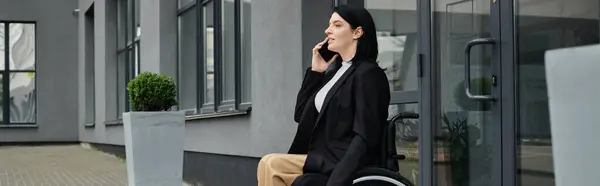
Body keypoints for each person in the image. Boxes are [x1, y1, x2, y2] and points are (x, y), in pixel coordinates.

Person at [257, 4, 390, 186]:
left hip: (339, 160)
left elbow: (365, 136)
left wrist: (338, 179)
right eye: (329, 25)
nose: (328, 31)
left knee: (271, 164)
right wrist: (316, 72)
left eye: (337, 25)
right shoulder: (335, 74)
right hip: (319, 157)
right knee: (268, 164)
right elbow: (301, 115)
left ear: (357, 32)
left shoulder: (368, 74)